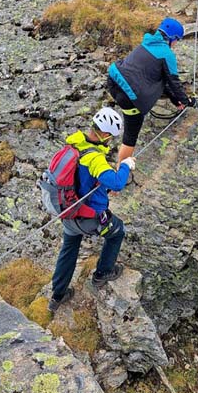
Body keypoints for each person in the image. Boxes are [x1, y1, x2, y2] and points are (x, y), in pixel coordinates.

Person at [48, 107, 135, 313]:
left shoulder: (74, 145)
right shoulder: (94, 158)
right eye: (111, 137)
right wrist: (125, 165)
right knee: (117, 231)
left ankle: (57, 296)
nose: (111, 141)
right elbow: (116, 183)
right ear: (104, 134)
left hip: (68, 212)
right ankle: (102, 274)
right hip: (88, 218)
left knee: (69, 248)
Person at [107, 17, 196, 165]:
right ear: (172, 37)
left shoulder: (146, 43)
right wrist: (187, 102)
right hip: (130, 96)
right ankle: (120, 171)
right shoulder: (166, 54)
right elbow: (173, 82)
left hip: (114, 82)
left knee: (156, 80)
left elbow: (162, 81)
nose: (175, 44)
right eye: (177, 40)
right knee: (130, 135)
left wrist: (175, 100)